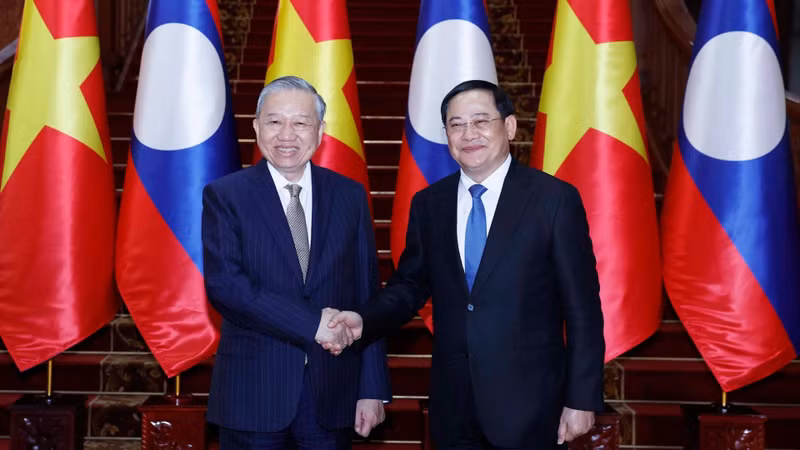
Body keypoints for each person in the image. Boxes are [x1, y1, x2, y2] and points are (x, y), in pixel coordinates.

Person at [328, 80, 605, 449]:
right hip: (453, 405)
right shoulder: (429, 203)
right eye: (456, 125)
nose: (468, 134)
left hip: (532, 407)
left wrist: (581, 398)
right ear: (446, 136)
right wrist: (365, 320)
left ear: (508, 127)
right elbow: (410, 285)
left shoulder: (554, 201)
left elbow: (583, 309)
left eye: (480, 121)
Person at [201, 75, 391, 449]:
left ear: (320, 131)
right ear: (256, 127)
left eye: (301, 123)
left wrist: (372, 388)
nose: (286, 135)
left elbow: (367, 294)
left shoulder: (349, 196)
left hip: (333, 391)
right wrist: (312, 324)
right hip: (253, 395)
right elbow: (229, 288)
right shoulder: (226, 196)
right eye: (274, 122)